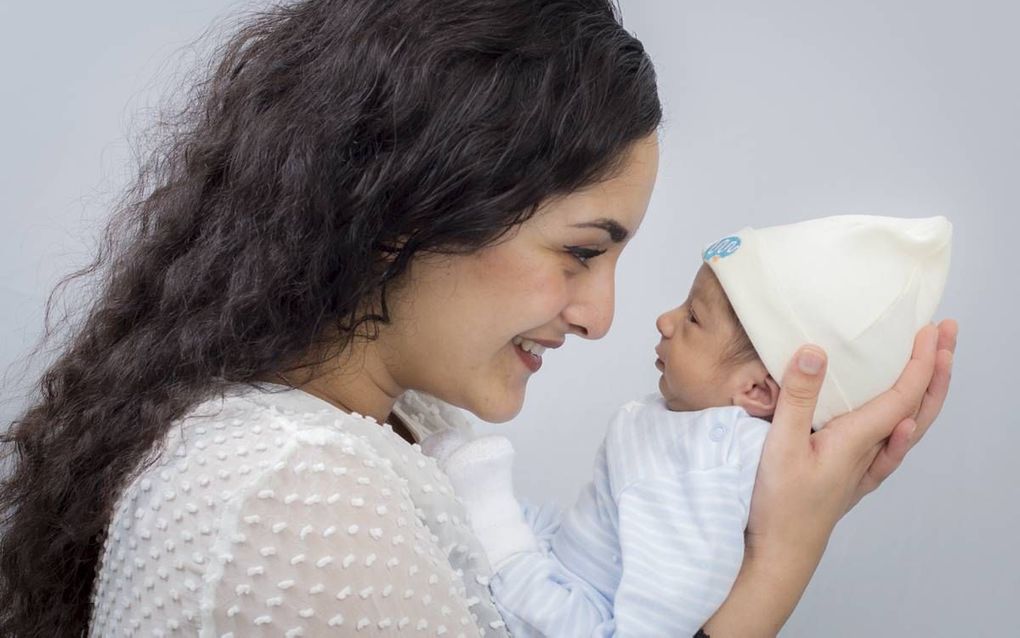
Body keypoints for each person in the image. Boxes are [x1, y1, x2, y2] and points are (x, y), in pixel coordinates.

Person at [0, 1, 957, 636]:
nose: (602, 316)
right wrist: (779, 571)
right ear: (409, 208)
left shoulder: (411, 430)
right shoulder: (286, 493)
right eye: (583, 252)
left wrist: (755, 524)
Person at [428, 215, 952, 636]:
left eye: (694, 318)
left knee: (491, 518)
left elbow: (655, 620)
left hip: (571, 612)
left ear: (757, 391)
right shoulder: (700, 433)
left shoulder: (712, 463)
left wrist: (501, 534)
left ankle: (492, 525)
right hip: (569, 562)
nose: (665, 320)